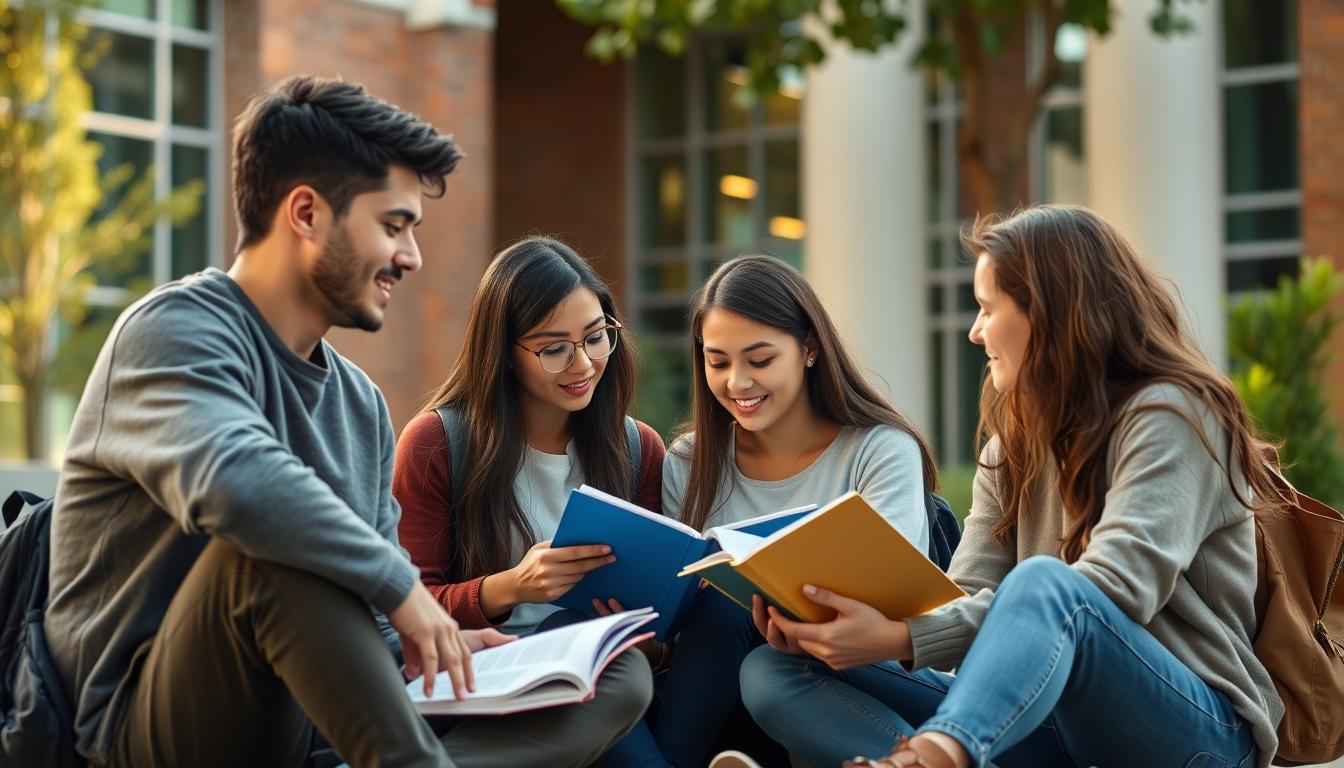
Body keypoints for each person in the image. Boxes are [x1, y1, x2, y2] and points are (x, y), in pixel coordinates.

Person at [45, 76, 651, 768]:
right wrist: (401, 592)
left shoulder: (358, 403)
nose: (411, 257)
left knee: (610, 680)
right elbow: (238, 485)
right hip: (144, 733)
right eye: (393, 225)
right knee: (269, 554)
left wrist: (437, 648)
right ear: (306, 212)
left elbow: (359, 623)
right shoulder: (172, 331)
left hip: (314, 730)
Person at [736, 206, 1284, 768]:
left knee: (1050, 585)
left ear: (1049, 313)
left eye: (987, 308)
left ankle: (929, 758)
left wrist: (904, 637)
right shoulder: (1013, 441)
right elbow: (964, 592)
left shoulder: (1174, 415)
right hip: (1052, 718)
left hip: (1193, 730)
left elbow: (1115, 589)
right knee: (776, 668)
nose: (975, 330)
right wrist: (845, 629)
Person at [646, 255, 936, 768]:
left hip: (863, 662)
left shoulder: (879, 449)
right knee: (741, 640)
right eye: (718, 363)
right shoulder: (689, 462)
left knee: (765, 664)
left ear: (809, 348)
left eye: (759, 361)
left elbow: (898, 598)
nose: (737, 383)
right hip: (730, 689)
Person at [393, 235, 664, 763]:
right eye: (554, 348)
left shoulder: (635, 449)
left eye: (595, 337)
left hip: (592, 678)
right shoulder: (436, 444)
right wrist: (509, 587)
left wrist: (645, 625)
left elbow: (656, 632)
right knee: (623, 684)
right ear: (505, 353)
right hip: (476, 676)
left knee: (624, 672)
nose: (583, 364)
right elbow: (405, 609)